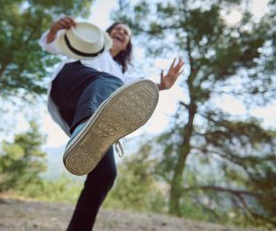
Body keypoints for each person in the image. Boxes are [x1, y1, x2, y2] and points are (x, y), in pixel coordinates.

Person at [39, 17, 183, 231]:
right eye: (117, 29)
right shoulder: (93, 46)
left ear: (127, 45)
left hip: (83, 111)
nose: (121, 33)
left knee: (105, 174)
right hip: (67, 87)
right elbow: (51, 45)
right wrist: (54, 30)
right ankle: (85, 126)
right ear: (107, 34)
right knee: (110, 83)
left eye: (126, 33)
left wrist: (162, 85)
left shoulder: (119, 73)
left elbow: (138, 87)